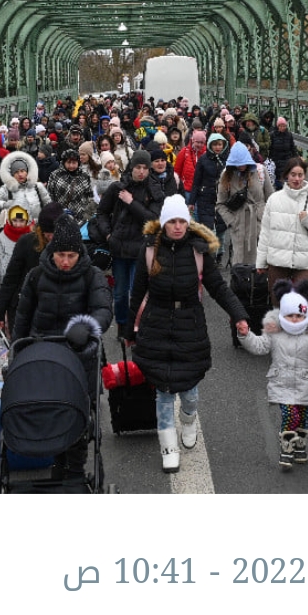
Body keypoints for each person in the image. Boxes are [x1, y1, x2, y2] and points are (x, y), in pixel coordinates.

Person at [125, 195, 248, 472]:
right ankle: (168, 446)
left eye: (182, 221)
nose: (178, 226)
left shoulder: (198, 251)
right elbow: (137, 292)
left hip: (189, 326)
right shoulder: (149, 250)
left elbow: (218, 287)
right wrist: (129, 329)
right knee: (163, 391)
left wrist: (239, 315)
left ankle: (189, 418)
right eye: (172, 222)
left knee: (189, 389)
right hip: (156, 325)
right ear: (164, 223)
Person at [12, 213, 113, 480]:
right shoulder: (36, 276)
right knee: (50, 411)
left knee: (78, 415)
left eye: (71, 256)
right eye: (60, 256)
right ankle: (58, 462)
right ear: (52, 252)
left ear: (80, 253)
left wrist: (87, 326)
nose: (65, 262)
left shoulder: (92, 276)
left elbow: (103, 310)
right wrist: (16, 355)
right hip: (43, 351)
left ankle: (75, 469)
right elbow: (22, 318)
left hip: (79, 353)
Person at [237, 278, 308, 469]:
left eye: (299, 316)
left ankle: (300, 443)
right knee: (291, 415)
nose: (294, 319)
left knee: (303, 416)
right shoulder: (274, 332)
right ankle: (286, 446)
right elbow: (259, 346)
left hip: (305, 384)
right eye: (290, 315)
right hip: (282, 383)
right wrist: (246, 335)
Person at [94, 149, 162, 338]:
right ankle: (122, 325)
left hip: (141, 249)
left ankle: (136, 327)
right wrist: (108, 234)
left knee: (137, 293)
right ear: (131, 167)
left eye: (145, 168)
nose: (141, 171)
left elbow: (153, 219)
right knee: (120, 294)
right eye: (138, 167)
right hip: (119, 248)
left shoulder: (154, 190)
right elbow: (101, 212)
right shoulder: (117, 188)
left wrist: (131, 203)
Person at [256, 156, 308, 302]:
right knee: (279, 304)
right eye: (293, 175)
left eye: (300, 175)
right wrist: (261, 262)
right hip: (277, 260)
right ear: (286, 175)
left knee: (305, 304)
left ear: (305, 176)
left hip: (303, 261)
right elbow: (265, 232)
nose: (297, 179)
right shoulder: (274, 199)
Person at [0, 201, 65, 334]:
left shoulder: (69, 246)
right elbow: (11, 279)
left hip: (57, 310)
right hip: (24, 307)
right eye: (48, 233)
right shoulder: (26, 242)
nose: (51, 237)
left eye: (54, 233)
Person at [216, 141, 269, 265]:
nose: (241, 166)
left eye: (243, 162)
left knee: (262, 261)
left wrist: (265, 218)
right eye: (237, 163)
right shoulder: (226, 175)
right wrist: (232, 221)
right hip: (239, 223)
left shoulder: (260, 171)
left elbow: (271, 198)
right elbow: (220, 204)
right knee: (240, 263)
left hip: (259, 222)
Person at [0, 150, 51, 225]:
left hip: (36, 228)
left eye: (22, 171)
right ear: (12, 175)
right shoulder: (7, 189)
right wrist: (4, 204)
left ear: (27, 172)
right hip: (16, 229)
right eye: (16, 172)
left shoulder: (37, 187)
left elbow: (49, 206)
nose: (20, 174)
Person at [47, 148, 96, 224]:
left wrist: (86, 213)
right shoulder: (55, 175)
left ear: (78, 163)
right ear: (64, 162)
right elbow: (49, 196)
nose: (71, 165)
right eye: (68, 162)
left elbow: (89, 196)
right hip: (61, 217)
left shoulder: (84, 175)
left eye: (74, 163)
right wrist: (58, 210)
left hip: (81, 217)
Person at [0, 204, 32, 296]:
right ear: (10, 220)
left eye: (22, 221)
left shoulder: (32, 237)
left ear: (27, 221)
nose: (18, 224)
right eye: (15, 220)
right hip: (6, 280)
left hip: (27, 282)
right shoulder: (2, 236)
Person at [269, 117, 298, 190]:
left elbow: (292, 147)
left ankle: (287, 191)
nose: (282, 128)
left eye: (284, 126)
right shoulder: (272, 135)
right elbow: (269, 148)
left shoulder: (289, 135)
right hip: (276, 159)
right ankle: (279, 190)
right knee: (278, 178)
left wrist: (296, 157)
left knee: (287, 176)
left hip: (287, 159)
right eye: (281, 126)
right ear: (278, 126)